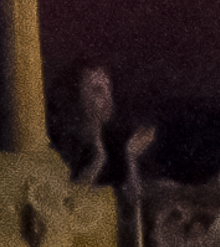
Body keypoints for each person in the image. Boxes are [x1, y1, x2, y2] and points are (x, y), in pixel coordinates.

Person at [53, 60, 154, 192]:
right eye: (98, 90)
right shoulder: (65, 145)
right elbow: (73, 198)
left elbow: (132, 199)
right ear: (78, 95)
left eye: (108, 89)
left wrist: (131, 157)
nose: (107, 98)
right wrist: (98, 158)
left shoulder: (115, 140)